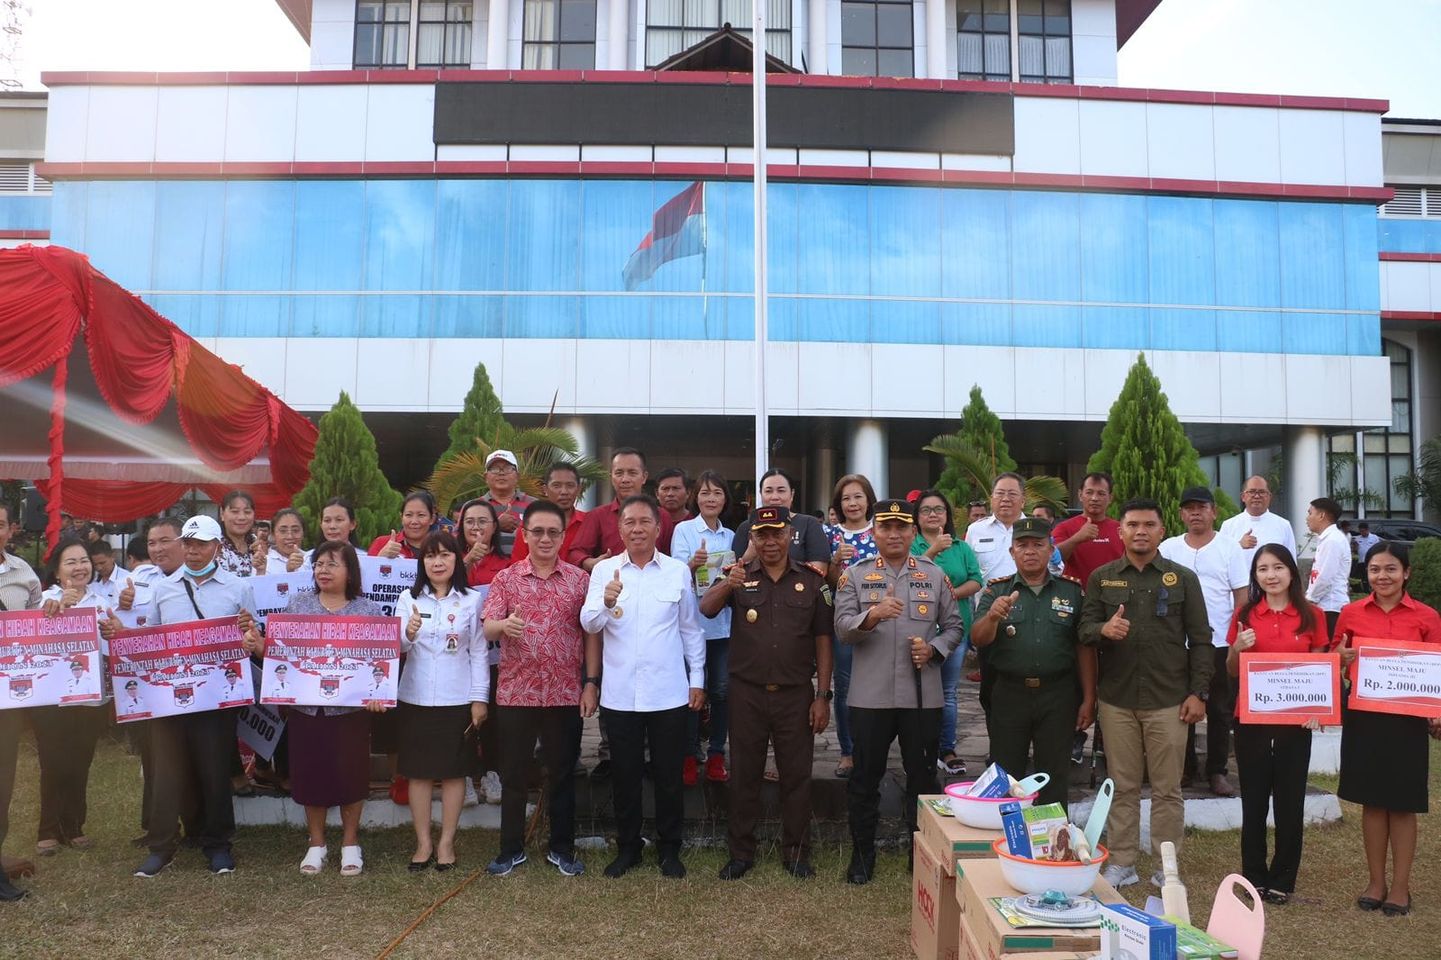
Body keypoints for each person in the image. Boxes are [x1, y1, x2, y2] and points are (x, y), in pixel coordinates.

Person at [1079, 499, 1213, 890]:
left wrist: (1199, 692)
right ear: (1120, 531)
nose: (1141, 531)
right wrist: (1103, 630)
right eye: (1133, 524)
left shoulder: (1182, 578)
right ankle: (1122, 862)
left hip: (1169, 699)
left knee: (1168, 789)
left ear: (1161, 531)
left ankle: (1165, 867)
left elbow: (1201, 640)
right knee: (1122, 786)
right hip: (1117, 699)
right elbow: (1083, 629)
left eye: (1149, 525)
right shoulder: (1102, 578)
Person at [117, 514, 257, 878]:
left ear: (217, 547)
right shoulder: (164, 588)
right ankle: (161, 846)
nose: (193, 551)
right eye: (189, 544)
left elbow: (251, 636)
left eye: (201, 544)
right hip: (170, 695)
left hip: (215, 697)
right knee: (166, 772)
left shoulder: (238, 587)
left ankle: (218, 844)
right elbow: (152, 638)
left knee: (214, 770)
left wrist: (247, 635)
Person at [834, 498, 963, 884]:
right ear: (874, 533)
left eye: (901, 528)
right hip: (869, 697)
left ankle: (920, 856)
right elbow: (841, 627)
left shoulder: (934, 575)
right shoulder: (855, 575)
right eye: (885, 528)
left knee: (922, 779)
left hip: (920, 696)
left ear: (913, 533)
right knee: (864, 779)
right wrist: (871, 615)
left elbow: (954, 627)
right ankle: (862, 856)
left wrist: (934, 649)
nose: (893, 534)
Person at [701, 505, 833, 880]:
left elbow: (823, 639)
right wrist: (729, 583)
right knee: (744, 774)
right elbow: (706, 608)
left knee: (797, 776)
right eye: (762, 535)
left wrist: (822, 696)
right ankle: (741, 853)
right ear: (752, 539)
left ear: (790, 534)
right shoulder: (737, 574)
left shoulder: (812, 581)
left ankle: (796, 853)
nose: (770, 541)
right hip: (747, 693)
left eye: (777, 533)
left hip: (795, 694)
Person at [242, 540, 387, 877]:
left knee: (351, 774)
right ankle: (317, 843)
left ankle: (350, 843)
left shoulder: (368, 610)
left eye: (332, 564)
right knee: (310, 775)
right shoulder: (298, 605)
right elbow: (281, 655)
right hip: (307, 711)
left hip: (350, 712)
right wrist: (258, 645)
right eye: (319, 564)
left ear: (350, 571)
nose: (324, 570)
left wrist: (378, 693)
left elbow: (381, 661)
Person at [579, 495, 705, 879]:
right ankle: (628, 847)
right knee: (625, 776)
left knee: (668, 776)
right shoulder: (605, 572)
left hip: (668, 692)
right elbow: (589, 624)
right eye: (629, 522)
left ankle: (670, 849)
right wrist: (605, 602)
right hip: (620, 695)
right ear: (620, 530)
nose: (637, 529)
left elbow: (690, 630)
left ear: (658, 528)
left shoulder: (676, 572)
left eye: (644, 522)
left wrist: (697, 680)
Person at [481, 500, 598, 878]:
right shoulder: (507, 579)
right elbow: (488, 625)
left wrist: (590, 684)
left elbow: (591, 634)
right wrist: (504, 627)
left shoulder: (579, 581)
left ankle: (562, 849)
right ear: (524, 535)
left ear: (563, 537)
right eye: (538, 532)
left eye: (553, 532)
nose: (545, 539)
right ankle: (510, 849)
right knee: (513, 774)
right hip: (517, 692)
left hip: (564, 692)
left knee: (562, 773)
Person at [1333, 542, 1441, 917]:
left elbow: (1437, 670)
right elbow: (1332, 659)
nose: (1382, 576)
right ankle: (1376, 882)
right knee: (1373, 801)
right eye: (1375, 569)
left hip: (1407, 721)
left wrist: (1437, 712)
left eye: (1391, 569)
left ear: (1406, 573)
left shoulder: (1427, 617)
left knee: (1403, 804)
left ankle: (1400, 887)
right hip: (1365, 717)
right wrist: (1339, 658)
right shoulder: (1350, 613)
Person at [1226, 544, 1329, 905]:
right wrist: (1237, 647)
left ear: (1291, 572)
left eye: (1278, 567)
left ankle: (1283, 878)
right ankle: (1253, 877)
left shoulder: (1313, 615)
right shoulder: (1244, 614)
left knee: (1290, 801)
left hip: (1295, 722)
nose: (1270, 575)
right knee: (1253, 801)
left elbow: (1319, 669)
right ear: (1255, 576)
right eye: (1262, 569)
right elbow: (1230, 670)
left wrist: (1317, 708)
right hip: (1251, 719)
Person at [971, 517, 1092, 812]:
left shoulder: (1071, 592)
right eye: (1022, 545)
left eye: (1038, 545)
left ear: (1051, 550)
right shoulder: (996, 591)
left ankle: (1051, 836)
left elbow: (1083, 647)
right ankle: (1006, 835)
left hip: (1058, 695)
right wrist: (993, 617)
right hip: (1010, 694)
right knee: (1006, 774)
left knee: (1054, 774)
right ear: (1011, 552)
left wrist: (1089, 698)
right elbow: (978, 639)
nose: (1029, 551)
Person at [394, 531, 489, 872]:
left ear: (457, 559)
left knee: (453, 773)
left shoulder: (472, 600)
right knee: (418, 774)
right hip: (415, 697)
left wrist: (479, 699)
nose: (438, 562)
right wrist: (408, 633)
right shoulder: (408, 598)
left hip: (457, 698)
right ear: (422, 562)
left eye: (445, 555)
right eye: (430, 556)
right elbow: (396, 647)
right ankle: (423, 842)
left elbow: (479, 652)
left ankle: (446, 841)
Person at [1158, 486, 1248, 797]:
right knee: (1179, 707)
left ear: (1214, 512)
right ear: (1181, 514)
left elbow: (1241, 597)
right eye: (1189, 508)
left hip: (1219, 641)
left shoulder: (1229, 548)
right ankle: (1185, 768)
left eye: (1202, 507)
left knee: (1220, 709)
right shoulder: (1169, 548)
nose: (1195, 513)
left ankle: (1217, 770)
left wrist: (1235, 640)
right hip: (1177, 643)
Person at [33, 538, 110, 856]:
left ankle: (74, 826)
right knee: (54, 763)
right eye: (71, 562)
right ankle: (48, 830)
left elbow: (108, 647)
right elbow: (32, 644)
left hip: (91, 700)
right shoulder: (45, 601)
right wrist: (60, 608)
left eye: (84, 560)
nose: (80, 567)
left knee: (80, 763)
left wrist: (113, 630)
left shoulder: (102, 601)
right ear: (57, 571)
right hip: (53, 701)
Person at [114, 518, 188, 845]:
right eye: (152, 543)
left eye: (165, 541)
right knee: (154, 757)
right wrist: (121, 607)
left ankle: (196, 824)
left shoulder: (198, 577)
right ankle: (157, 826)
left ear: (183, 542)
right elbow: (117, 623)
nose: (157, 549)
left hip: (192, 682)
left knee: (192, 756)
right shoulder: (136, 580)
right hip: (151, 683)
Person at [910, 489, 983, 777]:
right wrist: (932, 550)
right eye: (926, 510)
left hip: (955, 629)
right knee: (916, 693)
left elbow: (976, 580)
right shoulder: (911, 544)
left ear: (947, 515)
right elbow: (909, 574)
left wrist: (950, 595)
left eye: (938, 509)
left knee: (948, 693)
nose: (932, 514)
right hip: (918, 631)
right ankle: (918, 748)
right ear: (917, 516)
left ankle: (946, 749)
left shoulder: (961, 547)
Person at [669, 471, 735, 785]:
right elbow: (674, 575)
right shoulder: (683, 530)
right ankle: (688, 755)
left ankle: (717, 754)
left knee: (721, 691)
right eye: (705, 493)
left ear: (725, 499)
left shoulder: (732, 535)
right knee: (691, 694)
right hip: (691, 626)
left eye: (717, 493)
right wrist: (693, 564)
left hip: (723, 628)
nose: (711, 499)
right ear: (696, 497)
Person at [824, 473, 879, 780]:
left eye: (858, 496)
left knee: (879, 685)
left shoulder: (882, 531)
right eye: (846, 498)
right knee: (844, 687)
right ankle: (848, 752)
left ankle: (873, 749)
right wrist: (835, 561)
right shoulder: (830, 535)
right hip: (844, 622)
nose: (853, 503)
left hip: (880, 620)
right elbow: (830, 583)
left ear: (869, 500)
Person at [456, 497, 510, 804]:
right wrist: (465, 563)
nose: (476, 527)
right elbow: (439, 588)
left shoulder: (507, 563)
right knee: (461, 714)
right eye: (469, 522)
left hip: (495, 654)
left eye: (482, 521)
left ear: (494, 527)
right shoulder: (450, 559)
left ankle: (492, 773)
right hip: (458, 653)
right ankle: (464, 776)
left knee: (494, 715)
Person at [966, 473, 1028, 741]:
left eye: (1012, 494)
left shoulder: (1035, 528)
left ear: (1023, 499)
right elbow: (971, 574)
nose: (1005, 499)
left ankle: (1025, 747)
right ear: (991, 498)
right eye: (1000, 493)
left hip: (1029, 621)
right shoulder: (976, 530)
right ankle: (999, 748)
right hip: (989, 621)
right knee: (991, 690)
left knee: (1026, 689)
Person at [0, 501, 40, 902]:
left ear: (11, 529)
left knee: (2, 782)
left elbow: (38, 629)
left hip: (6, 701)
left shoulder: (24, 573)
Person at [567, 447, 677, 571]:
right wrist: (593, 563)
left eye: (632, 473)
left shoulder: (662, 516)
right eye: (619, 473)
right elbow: (575, 553)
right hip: (610, 580)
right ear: (611, 477)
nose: (625, 479)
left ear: (644, 477)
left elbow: (669, 558)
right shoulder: (597, 516)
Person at [730, 467, 831, 575]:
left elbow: (820, 571)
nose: (775, 497)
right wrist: (750, 554)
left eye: (781, 490)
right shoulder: (746, 527)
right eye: (768, 491)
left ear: (792, 494)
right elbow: (733, 573)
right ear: (761, 494)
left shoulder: (809, 524)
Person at [1051, 472, 1124, 586]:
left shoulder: (1121, 529)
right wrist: (1076, 539)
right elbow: (1051, 559)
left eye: (1101, 493)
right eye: (1089, 492)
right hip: (1075, 593)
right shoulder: (1064, 528)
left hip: (1113, 594)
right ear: (1080, 495)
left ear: (1110, 498)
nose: (1094, 498)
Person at [509, 462, 589, 565]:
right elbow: (517, 566)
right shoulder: (530, 525)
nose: (564, 492)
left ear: (578, 489)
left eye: (570, 486)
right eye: (556, 486)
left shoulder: (589, 522)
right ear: (545, 490)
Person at [1218, 475, 1297, 568]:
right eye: (1252, 492)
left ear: (1269, 497)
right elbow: (1220, 561)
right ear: (1243, 497)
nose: (1256, 496)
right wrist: (1238, 545)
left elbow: (1291, 563)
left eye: (1262, 492)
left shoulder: (1283, 525)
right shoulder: (1229, 525)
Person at [1305, 497, 1350, 637]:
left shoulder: (1332, 540)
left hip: (1330, 607)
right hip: (1325, 606)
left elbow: (1325, 577)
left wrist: (1309, 600)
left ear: (1321, 515)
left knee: (1328, 648)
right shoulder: (1329, 539)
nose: (1307, 518)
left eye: (1310, 513)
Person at [479, 449, 535, 556]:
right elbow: (458, 539)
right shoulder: (474, 507)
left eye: (508, 468)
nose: (501, 473)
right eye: (495, 469)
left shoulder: (534, 505)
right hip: (485, 565)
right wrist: (496, 526)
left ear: (517, 476)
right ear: (486, 477)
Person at [369, 491, 439, 560]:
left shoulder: (442, 548)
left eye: (421, 515)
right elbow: (368, 567)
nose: (414, 521)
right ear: (401, 517)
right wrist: (380, 558)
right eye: (408, 515)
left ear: (432, 519)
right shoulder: (382, 543)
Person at [216, 490, 265, 577]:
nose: (242, 517)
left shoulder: (257, 544)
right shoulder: (213, 545)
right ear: (222, 514)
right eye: (235, 511)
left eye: (247, 512)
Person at [265, 508, 308, 574]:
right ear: (273, 534)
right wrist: (289, 571)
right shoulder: (264, 563)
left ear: (303, 533)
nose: (289, 537)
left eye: (295, 530)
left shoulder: (310, 559)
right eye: (283, 531)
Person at [86, 536, 126, 603]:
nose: (99, 568)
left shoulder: (127, 578)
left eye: (102, 563)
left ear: (113, 557)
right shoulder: (89, 580)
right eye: (95, 564)